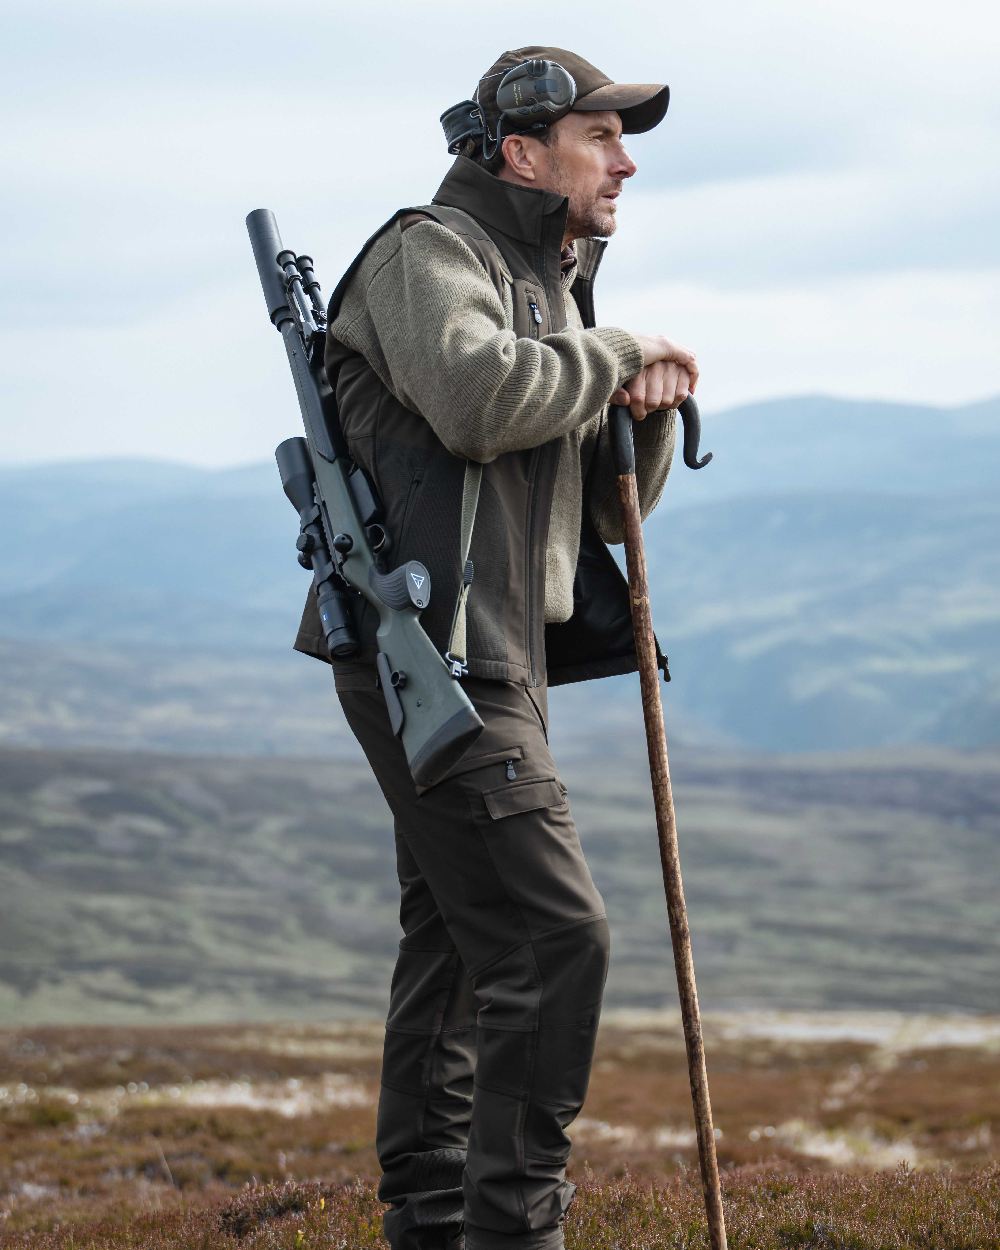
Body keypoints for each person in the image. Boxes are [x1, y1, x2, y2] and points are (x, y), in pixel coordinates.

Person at [292, 45, 697, 1250]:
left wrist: (643, 416)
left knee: (462, 942)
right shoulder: (427, 255)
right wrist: (616, 355)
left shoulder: (548, 284)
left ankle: (430, 1221)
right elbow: (477, 401)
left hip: (493, 656)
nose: (623, 164)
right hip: (428, 655)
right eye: (599, 139)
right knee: (553, 934)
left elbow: (599, 509)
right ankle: (515, 1230)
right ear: (521, 151)